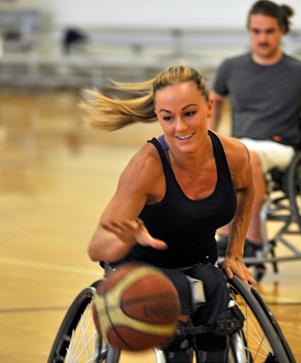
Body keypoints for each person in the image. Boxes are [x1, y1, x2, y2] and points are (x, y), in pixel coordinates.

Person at [83, 65, 256, 363]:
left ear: (209, 107)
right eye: (168, 118)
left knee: (216, 296)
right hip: (141, 267)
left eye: (189, 113)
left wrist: (235, 252)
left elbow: (247, 191)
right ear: (158, 117)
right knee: (176, 309)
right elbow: (96, 247)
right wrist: (124, 240)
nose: (180, 127)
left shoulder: (234, 155)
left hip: (196, 259)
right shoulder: (146, 168)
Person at [210, 0, 301, 254]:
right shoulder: (231, 67)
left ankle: (253, 241)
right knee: (225, 155)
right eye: (256, 31)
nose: (262, 38)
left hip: (282, 149)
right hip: (242, 144)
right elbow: (214, 101)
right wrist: (211, 135)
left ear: (282, 30)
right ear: (249, 31)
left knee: (248, 157)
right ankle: (223, 236)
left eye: (269, 31)